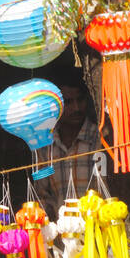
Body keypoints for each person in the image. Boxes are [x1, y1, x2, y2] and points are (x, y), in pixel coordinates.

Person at [35, 65, 102, 211]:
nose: (77, 108)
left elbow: (104, 188)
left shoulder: (98, 139)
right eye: (69, 102)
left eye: (80, 100)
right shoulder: (45, 146)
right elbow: (42, 193)